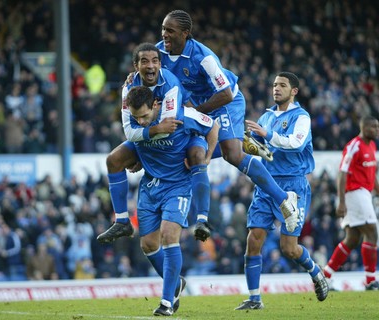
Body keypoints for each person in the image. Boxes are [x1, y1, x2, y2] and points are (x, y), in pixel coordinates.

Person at [156, 10, 299, 234]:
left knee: (232, 154)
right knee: (189, 157)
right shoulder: (159, 52)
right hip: (196, 105)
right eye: (163, 29)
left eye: (170, 30)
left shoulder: (203, 57)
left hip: (223, 102)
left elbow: (226, 94)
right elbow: (145, 73)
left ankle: (284, 200)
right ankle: (237, 139)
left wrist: (199, 113)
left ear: (185, 34)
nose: (164, 34)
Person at [97, 43, 213, 242]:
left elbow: (169, 130)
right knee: (113, 160)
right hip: (151, 138)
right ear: (135, 65)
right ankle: (122, 222)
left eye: (154, 61)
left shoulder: (171, 84)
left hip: (182, 134)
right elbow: (130, 132)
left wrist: (209, 155)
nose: (150, 66)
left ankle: (203, 219)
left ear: (160, 64)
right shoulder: (128, 87)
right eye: (144, 61)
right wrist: (153, 132)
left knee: (198, 156)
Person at [119, 85, 219, 316]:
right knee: (148, 245)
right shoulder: (135, 123)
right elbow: (140, 141)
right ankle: (176, 284)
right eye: (136, 117)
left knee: (169, 235)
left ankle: (166, 302)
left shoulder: (181, 116)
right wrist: (138, 161)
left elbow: (213, 126)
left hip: (178, 185)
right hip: (150, 186)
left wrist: (207, 157)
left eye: (144, 116)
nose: (141, 121)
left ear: (155, 105)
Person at [235, 72, 329, 310]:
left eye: (282, 85)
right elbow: (259, 147)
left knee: (289, 248)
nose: (276, 88)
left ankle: (316, 272)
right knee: (253, 238)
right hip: (266, 184)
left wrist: (267, 135)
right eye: (274, 84)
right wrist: (251, 143)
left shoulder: (301, 117)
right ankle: (255, 299)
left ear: (293, 91)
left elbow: (295, 143)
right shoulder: (266, 117)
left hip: (293, 185)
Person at [323, 116, 379, 290]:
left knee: (352, 239)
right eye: (373, 126)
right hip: (355, 193)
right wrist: (341, 202)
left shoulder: (372, 146)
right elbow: (342, 172)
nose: (377, 129)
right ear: (364, 127)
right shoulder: (354, 145)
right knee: (372, 232)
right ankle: (370, 281)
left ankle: (325, 276)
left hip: (364, 193)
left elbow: (372, 173)